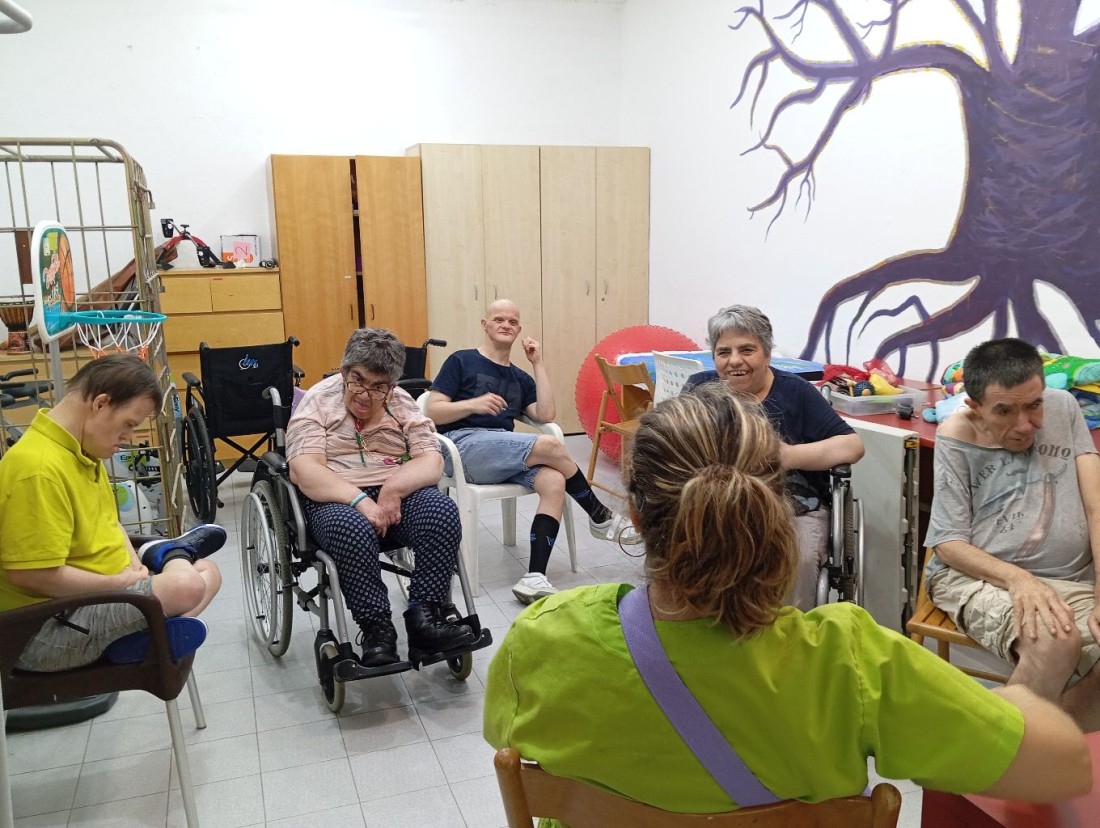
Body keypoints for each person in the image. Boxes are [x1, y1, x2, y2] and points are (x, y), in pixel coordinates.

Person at [484, 383, 1091, 819]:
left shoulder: (546, 636)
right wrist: (1023, 688)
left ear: (638, 517)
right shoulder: (852, 662)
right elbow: (1062, 764)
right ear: (774, 511)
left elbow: (501, 735)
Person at [0, 354, 224, 670]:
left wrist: (135, 569)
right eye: (128, 424)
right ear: (101, 404)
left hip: (92, 600)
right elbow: (30, 575)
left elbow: (111, 523)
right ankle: (169, 564)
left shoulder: (79, 450)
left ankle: (143, 633)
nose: (128, 437)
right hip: (45, 630)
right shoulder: (37, 469)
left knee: (209, 572)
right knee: (187, 586)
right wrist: (120, 582)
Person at [925, 337, 1100, 731]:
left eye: (1034, 405)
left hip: (1071, 579)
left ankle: (1030, 750)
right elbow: (948, 543)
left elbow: (1096, 508)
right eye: (1004, 411)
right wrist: (1019, 580)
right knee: (1055, 640)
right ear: (975, 406)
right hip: (979, 576)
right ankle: (1002, 755)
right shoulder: (957, 434)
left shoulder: (1064, 407)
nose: (1025, 424)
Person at [425, 299, 641, 606]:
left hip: (502, 449)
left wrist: (537, 364)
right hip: (463, 447)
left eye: (512, 322)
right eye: (499, 319)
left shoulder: (520, 377)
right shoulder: (462, 360)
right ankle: (600, 515)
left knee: (554, 480)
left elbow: (546, 414)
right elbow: (432, 411)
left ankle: (534, 577)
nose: (506, 325)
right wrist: (473, 404)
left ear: (519, 330)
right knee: (551, 445)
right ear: (485, 325)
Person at [286, 327, 476, 667]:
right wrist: (359, 500)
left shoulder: (400, 402)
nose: (365, 395)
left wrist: (393, 489)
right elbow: (305, 469)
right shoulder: (318, 401)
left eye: (379, 387)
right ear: (344, 371)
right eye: (357, 381)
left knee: (442, 512)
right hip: (336, 495)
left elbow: (431, 460)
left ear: (392, 384)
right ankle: (377, 629)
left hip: (396, 490)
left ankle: (425, 618)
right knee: (351, 530)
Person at [683, 304, 864, 609]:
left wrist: (787, 455)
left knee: (799, 558)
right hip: (718, 502)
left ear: (767, 354)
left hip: (792, 505)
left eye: (747, 350)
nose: (734, 360)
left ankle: (790, 632)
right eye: (724, 352)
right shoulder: (699, 389)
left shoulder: (795, 392)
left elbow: (852, 445)